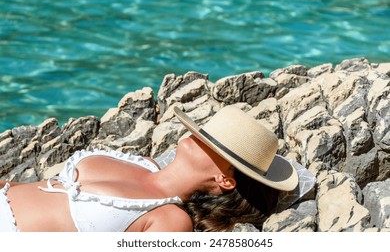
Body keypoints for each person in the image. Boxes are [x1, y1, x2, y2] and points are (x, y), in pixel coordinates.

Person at [0, 105, 302, 232]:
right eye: (205, 131)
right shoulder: (141, 163)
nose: (198, 135)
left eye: (212, 144)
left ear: (224, 180)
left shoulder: (171, 220)